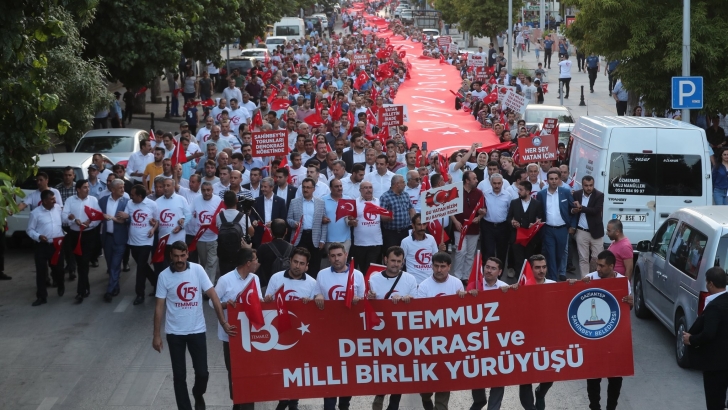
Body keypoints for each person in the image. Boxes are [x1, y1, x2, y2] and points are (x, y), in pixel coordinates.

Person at [153, 241, 234, 410]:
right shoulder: (164, 276)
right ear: (171, 256)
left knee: (202, 373)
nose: (179, 259)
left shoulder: (197, 270)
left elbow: (213, 296)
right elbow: (159, 307)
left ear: (187, 255)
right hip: (174, 333)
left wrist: (223, 322)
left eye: (182, 255)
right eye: (176, 256)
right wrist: (156, 335)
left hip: (197, 331)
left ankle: (198, 393)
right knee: (179, 376)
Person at [569, 250, 633, 410]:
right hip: (593, 338)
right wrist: (573, 285)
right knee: (593, 376)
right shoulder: (590, 278)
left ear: (612, 266)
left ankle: (611, 407)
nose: (598, 268)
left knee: (616, 377)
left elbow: (626, 309)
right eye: (597, 264)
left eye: (602, 266)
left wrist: (630, 302)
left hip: (615, 338)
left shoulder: (623, 282)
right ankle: (594, 407)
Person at [313, 242, 365, 410]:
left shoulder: (357, 275)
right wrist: (318, 295)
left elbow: (364, 301)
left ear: (346, 255)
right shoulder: (322, 274)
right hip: (329, 332)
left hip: (351, 332)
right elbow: (316, 293)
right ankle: (329, 406)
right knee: (331, 372)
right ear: (329, 258)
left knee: (347, 373)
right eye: (333, 256)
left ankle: (344, 405)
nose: (336, 259)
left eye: (339, 255)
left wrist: (359, 301)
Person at [367, 246, 418, 410]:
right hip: (381, 333)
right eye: (393, 261)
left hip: (403, 333)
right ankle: (380, 393)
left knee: (401, 370)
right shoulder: (373, 279)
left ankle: (393, 405)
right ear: (385, 260)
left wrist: (406, 299)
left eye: (399, 261)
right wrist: (369, 299)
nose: (396, 264)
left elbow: (418, 306)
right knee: (384, 368)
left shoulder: (410, 279)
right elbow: (367, 308)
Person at [504, 255, 555, 409]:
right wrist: (507, 294)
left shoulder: (554, 286)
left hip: (548, 340)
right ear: (530, 269)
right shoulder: (520, 287)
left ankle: (540, 393)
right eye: (537, 267)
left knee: (550, 376)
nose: (542, 270)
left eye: (544, 267)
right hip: (524, 340)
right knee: (525, 379)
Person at [213, 247, 260, 410]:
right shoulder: (225, 280)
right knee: (234, 373)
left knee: (250, 373)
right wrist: (227, 304)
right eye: (255, 260)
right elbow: (214, 302)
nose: (257, 263)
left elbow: (258, 301)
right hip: (231, 336)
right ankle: (237, 402)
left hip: (250, 336)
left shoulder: (254, 278)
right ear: (248, 263)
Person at [416, 252, 465, 410]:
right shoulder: (424, 286)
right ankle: (425, 398)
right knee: (427, 384)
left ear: (449, 267)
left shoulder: (457, 284)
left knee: (445, 379)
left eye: (443, 266)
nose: (439, 269)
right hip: (428, 342)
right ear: (432, 266)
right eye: (436, 266)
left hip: (449, 342)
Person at [683, 267, 728, 410]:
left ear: (710, 284)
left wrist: (691, 339)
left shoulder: (714, 306)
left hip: (716, 364)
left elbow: (708, 333)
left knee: (715, 402)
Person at [466, 257, 508, 410]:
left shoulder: (505, 288)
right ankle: (479, 402)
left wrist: (509, 295)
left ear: (500, 271)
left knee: (499, 377)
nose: (489, 271)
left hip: (498, 341)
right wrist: (467, 295)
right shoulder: (473, 285)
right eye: (487, 267)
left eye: (493, 268)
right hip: (477, 341)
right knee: (477, 375)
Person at [62, 180, 102, 303]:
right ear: (78, 189)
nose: (87, 189)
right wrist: (73, 220)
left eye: (88, 187)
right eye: (84, 187)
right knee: (80, 263)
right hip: (74, 234)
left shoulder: (93, 200)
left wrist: (89, 223)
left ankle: (80, 291)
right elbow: (64, 216)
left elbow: (98, 216)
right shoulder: (70, 200)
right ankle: (86, 286)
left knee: (84, 262)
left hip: (88, 234)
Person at [27, 190, 66, 306]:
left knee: (58, 268)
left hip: (57, 245)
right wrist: (38, 236)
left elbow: (65, 220)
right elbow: (29, 230)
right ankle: (41, 296)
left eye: (54, 198)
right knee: (41, 272)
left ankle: (61, 285)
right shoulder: (35, 213)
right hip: (42, 246)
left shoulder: (58, 209)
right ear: (44, 201)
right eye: (52, 199)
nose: (55, 201)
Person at [537, 170, 576, 281]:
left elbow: (573, 210)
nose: (554, 181)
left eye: (555, 179)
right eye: (551, 179)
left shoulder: (566, 192)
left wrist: (572, 226)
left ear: (559, 179)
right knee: (551, 255)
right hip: (548, 229)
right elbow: (539, 211)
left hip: (562, 229)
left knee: (560, 254)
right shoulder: (541, 194)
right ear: (547, 180)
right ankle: (553, 279)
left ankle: (555, 273)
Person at [287, 178, 327, 277]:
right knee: (299, 263)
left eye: (308, 187)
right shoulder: (294, 202)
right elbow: (288, 219)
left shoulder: (320, 203)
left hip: (315, 237)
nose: (305, 190)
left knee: (314, 265)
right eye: (304, 187)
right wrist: (294, 223)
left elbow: (324, 222)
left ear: (313, 189)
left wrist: (322, 240)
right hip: (300, 237)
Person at [125, 184, 158, 305]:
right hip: (132, 241)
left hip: (146, 241)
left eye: (133, 195)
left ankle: (140, 294)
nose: (131, 196)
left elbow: (157, 221)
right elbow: (126, 217)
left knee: (140, 267)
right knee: (143, 265)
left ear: (140, 196)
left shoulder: (152, 205)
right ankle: (156, 282)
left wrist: (153, 229)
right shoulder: (129, 203)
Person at [451, 171, 485, 284]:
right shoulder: (456, 191)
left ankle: (466, 276)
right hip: (460, 227)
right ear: (467, 181)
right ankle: (457, 276)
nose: (477, 180)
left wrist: (479, 216)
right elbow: (449, 209)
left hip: (473, 229)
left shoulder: (479, 193)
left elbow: (483, 210)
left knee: (470, 253)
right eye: (474, 178)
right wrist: (455, 222)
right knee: (460, 251)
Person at [99, 179, 130, 302]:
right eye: (120, 188)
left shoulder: (127, 202)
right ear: (112, 189)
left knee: (115, 265)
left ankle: (109, 291)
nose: (123, 190)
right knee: (110, 263)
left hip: (120, 238)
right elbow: (98, 215)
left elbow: (126, 220)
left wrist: (125, 217)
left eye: (123, 187)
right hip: (107, 238)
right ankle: (115, 286)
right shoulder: (102, 201)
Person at [571, 175, 604, 277]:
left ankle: (594, 277)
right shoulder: (576, 194)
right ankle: (585, 281)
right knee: (583, 258)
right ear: (582, 185)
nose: (589, 188)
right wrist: (574, 210)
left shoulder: (599, 195)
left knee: (597, 258)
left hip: (596, 232)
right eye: (586, 185)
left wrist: (581, 208)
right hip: (581, 231)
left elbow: (596, 210)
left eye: (591, 185)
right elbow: (571, 209)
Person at [507, 180, 542, 275]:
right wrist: (512, 222)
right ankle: (519, 282)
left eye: (521, 190)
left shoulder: (537, 204)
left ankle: (527, 280)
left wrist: (535, 224)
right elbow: (509, 217)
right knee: (518, 261)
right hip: (517, 236)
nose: (519, 192)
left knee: (529, 260)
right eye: (519, 189)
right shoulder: (514, 203)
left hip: (530, 238)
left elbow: (540, 218)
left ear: (527, 191)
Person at [216, 191, 254, 278]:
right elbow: (251, 233)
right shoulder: (244, 216)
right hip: (239, 254)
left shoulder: (219, 216)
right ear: (237, 200)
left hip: (224, 255)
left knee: (225, 277)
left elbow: (219, 229)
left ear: (224, 202)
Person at [189, 182, 222, 282]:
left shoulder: (218, 200)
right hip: (200, 238)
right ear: (201, 190)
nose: (206, 192)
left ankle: (208, 288)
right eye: (204, 190)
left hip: (213, 237)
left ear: (212, 190)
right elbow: (189, 213)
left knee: (211, 263)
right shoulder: (196, 200)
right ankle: (214, 279)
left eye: (208, 190)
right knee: (204, 263)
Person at [401, 213, 445, 284]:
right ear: (413, 225)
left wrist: (440, 251)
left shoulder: (431, 239)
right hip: (413, 283)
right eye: (419, 224)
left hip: (430, 282)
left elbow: (436, 259)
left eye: (424, 224)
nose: (422, 227)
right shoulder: (405, 242)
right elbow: (401, 262)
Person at [379, 175, 415, 258]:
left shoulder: (405, 195)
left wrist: (414, 222)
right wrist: (389, 218)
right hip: (391, 234)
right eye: (403, 182)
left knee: (405, 255)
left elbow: (411, 209)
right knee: (391, 255)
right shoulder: (385, 197)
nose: (405, 184)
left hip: (405, 231)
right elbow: (381, 216)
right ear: (397, 184)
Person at [481, 173, 512, 267]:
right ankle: (488, 272)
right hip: (488, 226)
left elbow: (510, 210)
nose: (497, 185)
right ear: (491, 183)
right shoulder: (485, 194)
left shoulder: (508, 195)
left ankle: (499, 275)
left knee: (501, 252)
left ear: (502, 183)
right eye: (494, 183)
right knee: (488, 251)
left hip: (503, 227)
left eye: (499, 183)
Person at [251, 177, 287, 248]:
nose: (262, 189)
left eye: (265, 187)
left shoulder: (280, 201)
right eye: (262, 187)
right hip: (259, 236)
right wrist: (253, 221)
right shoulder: (256, 201)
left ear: (272, 187)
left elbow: (283, 218)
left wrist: (274, 223)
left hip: (275, 235)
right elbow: (252, 215)